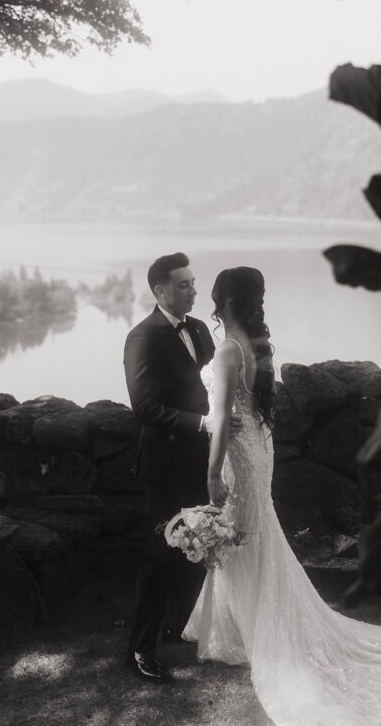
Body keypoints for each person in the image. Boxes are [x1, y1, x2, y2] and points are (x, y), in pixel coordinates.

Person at [183, 266, 381, 726]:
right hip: (259, 448)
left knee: (244, 534)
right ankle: (243, 625)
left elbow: (221, 418)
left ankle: (255, 632)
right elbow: (252, 411)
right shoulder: (253, 345)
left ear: (223, 299)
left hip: (240, 454)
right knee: (254, 534)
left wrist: (212, 470)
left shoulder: (226, 350)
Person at [124, 252, 238, 681]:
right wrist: (203, 422)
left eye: (194, 282)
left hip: (202, 462)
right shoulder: (143, 337)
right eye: (185, 285)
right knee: (158, 556)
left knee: (199, 547)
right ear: (161, 291)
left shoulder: (198, 330)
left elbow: (213, 389)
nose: (194, 290)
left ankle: (178, 627)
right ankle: (141, 650)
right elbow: (145, 408)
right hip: (165, 465)